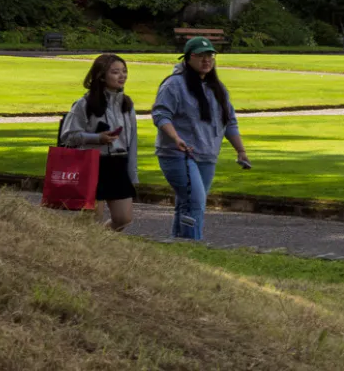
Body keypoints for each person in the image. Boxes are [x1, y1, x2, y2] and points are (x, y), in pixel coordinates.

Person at [152, 37, 251, 242]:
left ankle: (179, 243)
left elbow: (229, 121)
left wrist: (240, 150)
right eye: (200, 56)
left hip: (207, 155)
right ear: (188, 58)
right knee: (195, 201)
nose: (206, 60)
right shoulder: (174, 85)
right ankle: (193, 243)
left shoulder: (218, 88)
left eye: (210, 56)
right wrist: (176, 138)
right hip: (179, 153)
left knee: (187, 202)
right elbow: (161, 115)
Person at [57, 53, 140, 232]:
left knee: (123, 218)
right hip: (93, 163)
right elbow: (68, 135)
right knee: (90, 220)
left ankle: (101, 243)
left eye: (124, 71)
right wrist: (97, 138)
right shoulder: (84, 104)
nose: (122, 76)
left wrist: (132, 173)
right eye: (115, 72)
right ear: (101, 76)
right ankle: (85, 251)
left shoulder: (127, 104)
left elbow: (132, 141)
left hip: (118, 163)